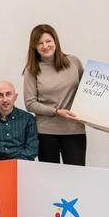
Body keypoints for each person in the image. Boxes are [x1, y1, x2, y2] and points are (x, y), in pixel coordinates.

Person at [22, 24, 86, 166]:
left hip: (74, 130)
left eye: (48, 41)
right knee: (50, 181)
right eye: (39, 43)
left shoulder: (74, 62)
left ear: (55, 41)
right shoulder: (32, 70)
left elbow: (88, 91)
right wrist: (56, 112)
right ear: (34, 47)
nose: (45, 46)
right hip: (46, 133)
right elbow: (30, 103)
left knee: (76, 178)